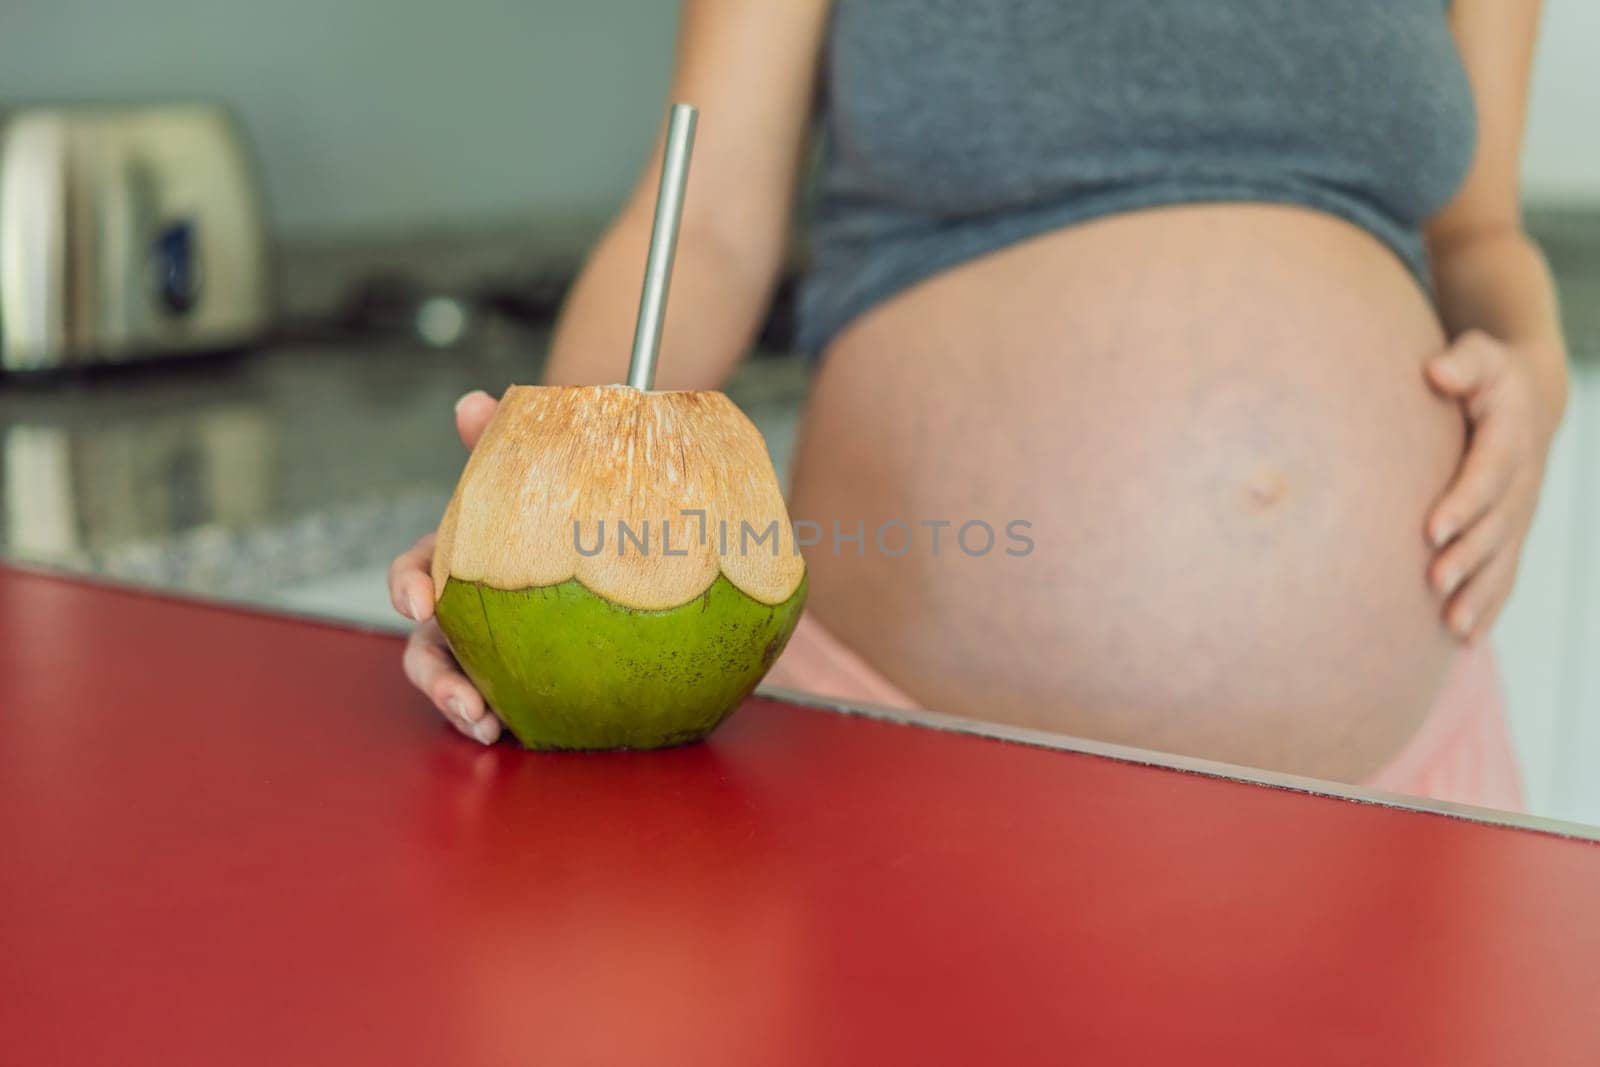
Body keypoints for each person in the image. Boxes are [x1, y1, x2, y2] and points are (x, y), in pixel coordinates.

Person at [389, 0, 1567, 808]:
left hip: (1402, 777)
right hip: (887, 747)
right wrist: (534, 517)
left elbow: (1477, 233)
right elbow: (701, 227)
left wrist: (1534, 363)